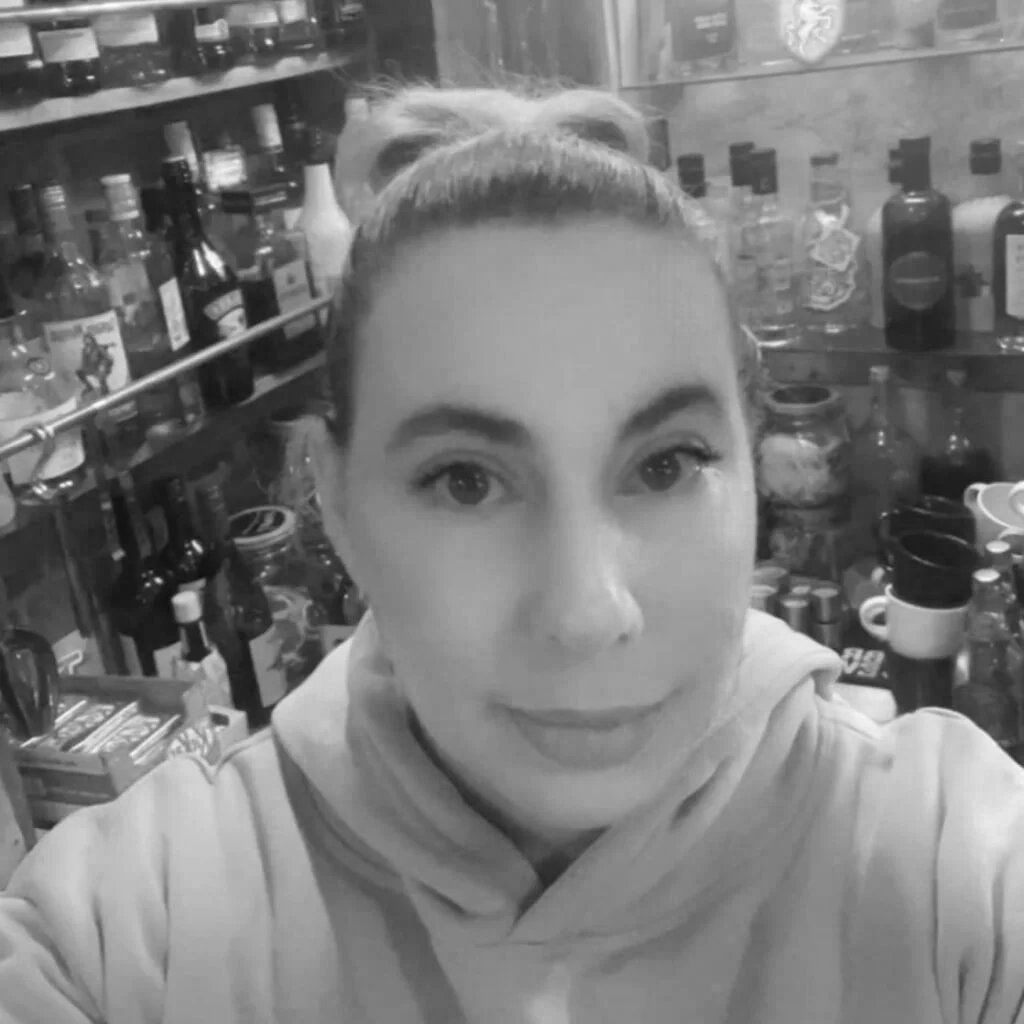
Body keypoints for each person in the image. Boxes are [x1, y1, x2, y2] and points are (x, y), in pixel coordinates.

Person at [1, 83, 1023, 1024]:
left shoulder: (952, 874)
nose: (586, 611)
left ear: (753, 470)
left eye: (665, 464)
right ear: (338, 507)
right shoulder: (132, 934)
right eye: (465, 480)